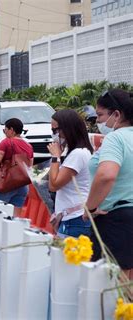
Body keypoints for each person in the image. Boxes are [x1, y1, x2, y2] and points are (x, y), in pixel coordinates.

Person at [84, 89, 133, 278]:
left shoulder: (116, 138)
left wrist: (90, 207)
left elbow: (106, 175)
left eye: (100, 115)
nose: (98, 121)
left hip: (116, 218)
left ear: (117, 115)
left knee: (109, 286)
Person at [47, 109, 93, 238]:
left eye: (55, 130)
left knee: (64, 257)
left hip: (75, 220)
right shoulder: (77, 152)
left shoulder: (78, 154)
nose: (53, 135)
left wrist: (55, 157)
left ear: (67, 129)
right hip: (72, 217)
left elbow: (54, 185)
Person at [0, 118, 33, 216]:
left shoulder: (6, 142)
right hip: (22, 186)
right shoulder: (28, 146)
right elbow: (30, 166)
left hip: (6, 184)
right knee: (15, 218)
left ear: (12, 130)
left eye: (5, 129)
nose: (4, 132)